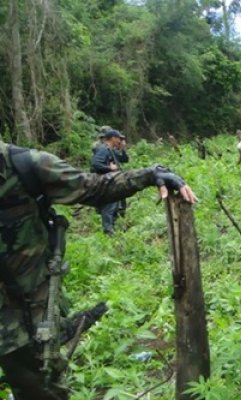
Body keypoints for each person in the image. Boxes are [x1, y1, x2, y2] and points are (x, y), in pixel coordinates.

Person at [0, 140, 196, 399]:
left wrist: (150, 175)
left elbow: (92, 186)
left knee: (37, 386)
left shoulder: (24, 165)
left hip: (23, 312)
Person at [90, 129, 125, 235]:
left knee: (114, 207)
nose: (119, 140)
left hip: (110, 183)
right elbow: (95, 164)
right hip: (105, 183)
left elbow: (124, 159)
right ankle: (108, 232)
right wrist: (110, 169)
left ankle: (111, 230)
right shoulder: (104, 149)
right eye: (118, 138)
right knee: (109, 207)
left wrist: (123, 149)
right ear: (113, 138)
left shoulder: (110, 150)